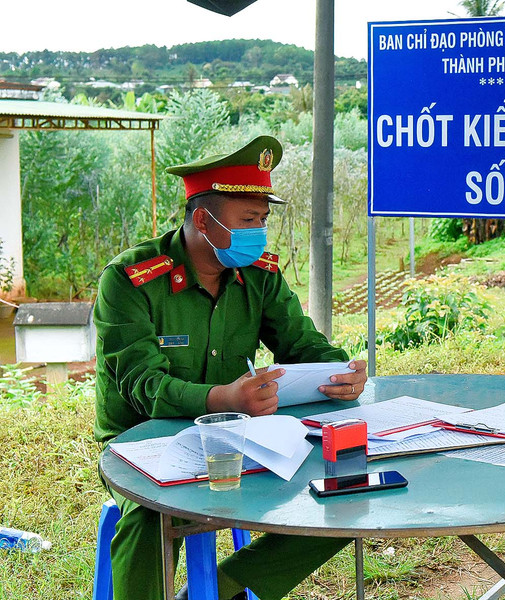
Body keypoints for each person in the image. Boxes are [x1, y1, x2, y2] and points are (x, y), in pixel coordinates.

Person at [93, 135, 367, 600]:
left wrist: (338, 372)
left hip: (240, 436)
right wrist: (222, 398)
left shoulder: (259, 275)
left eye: (262, 219)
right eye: (247, 220)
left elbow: (301, 343)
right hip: (146, 441)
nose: (259, 232)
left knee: (348, 487)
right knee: (149, 515)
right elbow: (142, 384)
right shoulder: (130, 280)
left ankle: (226, 588)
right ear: (204, 220)